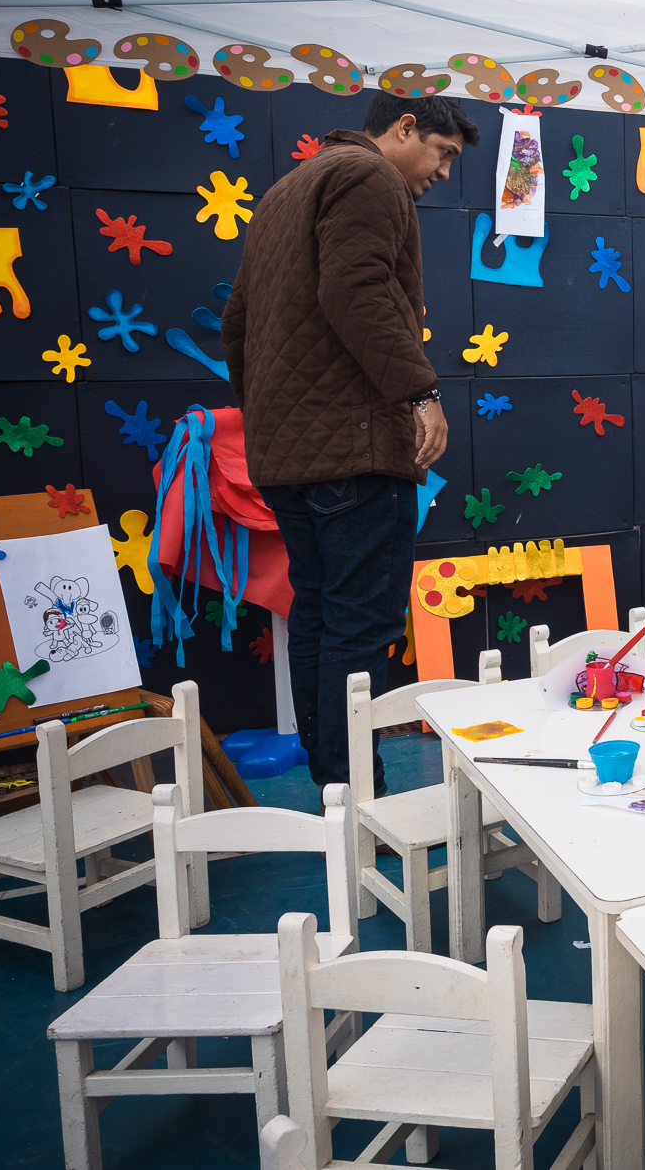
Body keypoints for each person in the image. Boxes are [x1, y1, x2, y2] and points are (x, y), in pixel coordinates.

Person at [222, 93, 478, 794]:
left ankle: (336, 788)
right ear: (403, 128)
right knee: (360, 625)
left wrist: (270, 416)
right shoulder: (369, 176)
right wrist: (420, 392)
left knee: (318, 612)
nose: (443, 173)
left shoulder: (286, 189)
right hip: (354, 447)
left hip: (286, 454)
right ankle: (360, 794)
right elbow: (356, 290)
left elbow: (237, 319)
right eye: (442, 153)